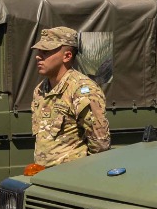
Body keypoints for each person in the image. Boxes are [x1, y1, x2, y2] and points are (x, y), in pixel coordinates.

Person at [30, 26, 111, 167]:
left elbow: (100, 145)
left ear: (67, 56)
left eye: (46, 52)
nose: (38, 56)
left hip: (71, 178)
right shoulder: (40, 90)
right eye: (39, 51)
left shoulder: (82, 90)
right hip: (43, 177)